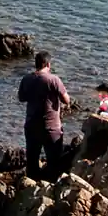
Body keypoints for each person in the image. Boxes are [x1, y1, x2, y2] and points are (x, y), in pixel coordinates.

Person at [18, 50, 70, 179]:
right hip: (51, 128)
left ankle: (31, 186)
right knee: (54, 162)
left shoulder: (26, 78)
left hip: (31, 126)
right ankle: (50, 186)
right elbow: (66, 100)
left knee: (32, 162)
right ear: (48, 64)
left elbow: (21, 98)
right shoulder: (53, 80)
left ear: (36, 64)